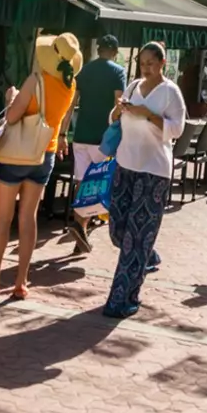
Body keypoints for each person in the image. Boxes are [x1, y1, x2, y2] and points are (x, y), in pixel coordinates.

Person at [0, 33, 80, 302]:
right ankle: (21, 282)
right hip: (45, 154)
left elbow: (12, 117)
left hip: (17, 155)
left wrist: (11, 97)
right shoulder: (70, 84)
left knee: (3, 218)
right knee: (28, 218)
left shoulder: (36, 80)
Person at [102, 42, 186, 319]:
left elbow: (177, 129)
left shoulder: (170, 92)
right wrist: (117, 111)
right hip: (125, 164)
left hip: (154, 171)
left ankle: (121, 300)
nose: (146, 68)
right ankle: (147, 254)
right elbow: (114, 119)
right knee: (117, 229)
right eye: (142, 63)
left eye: (151, 63)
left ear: (162, 63)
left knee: (135, 240)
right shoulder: (133, 86)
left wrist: (148, 115)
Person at [67, 33, 127, 253]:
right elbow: (119, 104)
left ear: (98, 49)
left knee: (81, 182)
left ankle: (80, 230)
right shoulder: (118, 72)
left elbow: (72, 103)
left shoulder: (84, 70)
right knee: (99, 183)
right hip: (103, 138)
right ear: (115, 52)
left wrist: (64, 132)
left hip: (81, 134)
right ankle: (84, 227)